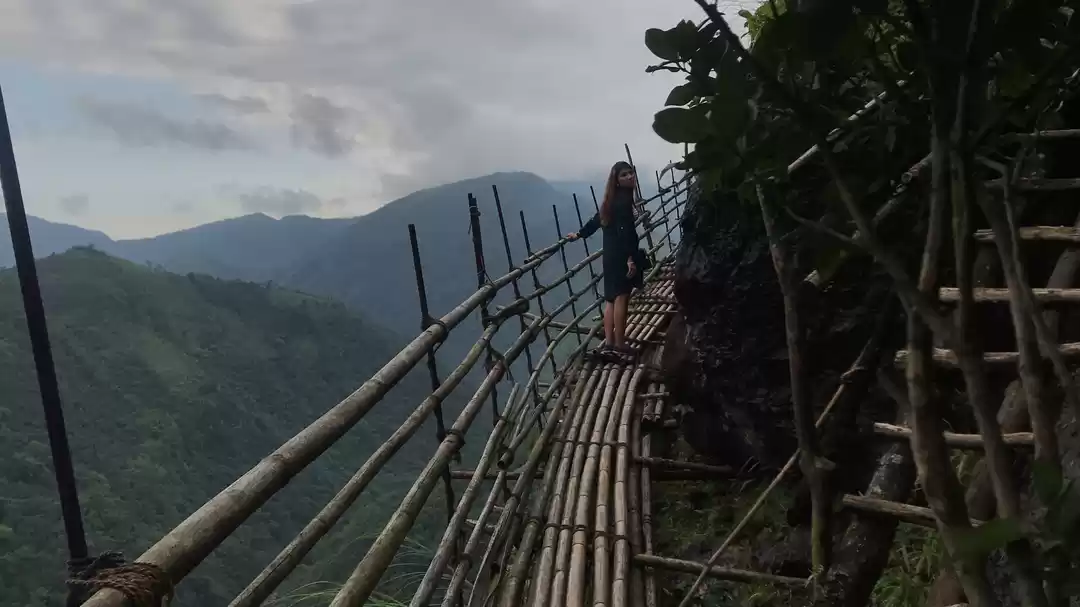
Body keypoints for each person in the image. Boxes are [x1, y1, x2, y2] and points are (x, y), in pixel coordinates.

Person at [567, 161, 645, 363]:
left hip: (610, 254)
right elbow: (624, 232)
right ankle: (619, 344)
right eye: (624, 175)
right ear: (617, 180)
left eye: (630, 173)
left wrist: (580, 234)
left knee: (611, 298)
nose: (630, 176)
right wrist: (630, 258)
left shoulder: (611, 199)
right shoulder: (623, 201)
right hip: (621, 254)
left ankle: (610, 342)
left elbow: (597, 219)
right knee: (621, 297)